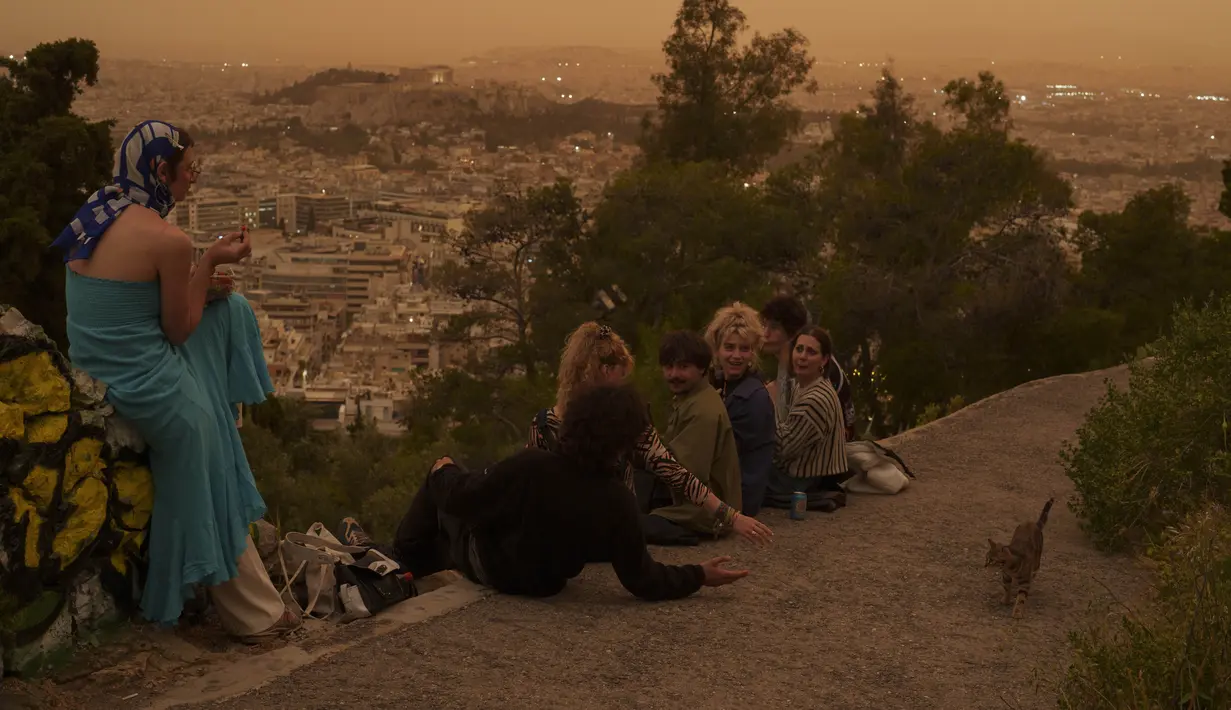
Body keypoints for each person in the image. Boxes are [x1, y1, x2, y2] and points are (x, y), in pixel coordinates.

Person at [52, 120, 297, 641]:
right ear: (161, 170)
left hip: (96, 359)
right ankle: (252, 613)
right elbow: (178, 330)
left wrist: (201, 283)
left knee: (229, 310)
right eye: (190, 171)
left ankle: (214, 410)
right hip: (139, 378)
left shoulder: (100, 208)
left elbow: (128, 300)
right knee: (207, 446)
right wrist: (206, 260)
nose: (195, 182)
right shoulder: (170, 239)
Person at [348, 383, 749, 600]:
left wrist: (442, 470)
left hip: (493, 567)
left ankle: (395, 559)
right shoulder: (618, 501)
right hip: (542, 584)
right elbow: (643, 579)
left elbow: (460, 499)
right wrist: (700, 575)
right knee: (464, 515)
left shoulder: (534, 465)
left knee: (449, 483)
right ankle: (398, 560)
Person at [528, 322, 772, 545]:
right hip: (609, 535)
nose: (625, 383)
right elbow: (678, 475)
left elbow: (531, 488)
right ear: (605, 370)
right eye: (622, 374)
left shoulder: (541, 423)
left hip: (562, 539)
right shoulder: (626, 419)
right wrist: (731, 517)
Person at [649, 331, 742, 537]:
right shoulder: (690, 398)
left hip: (706, 511)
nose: (674, 374)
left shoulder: (702, 410)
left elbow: (686, 473)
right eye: (669, 367)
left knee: (632, 526)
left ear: (701, 368)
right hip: (698, 502)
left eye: (683, 367)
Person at [764, 326, 852, 512]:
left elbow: (782, 449)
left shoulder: (814, 400)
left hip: (800, 481)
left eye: (811, 352)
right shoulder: (806, 385)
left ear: (825, 359)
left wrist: (769, 405)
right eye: (799, 349)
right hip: (808, 474)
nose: (802, 356)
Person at [704, 303, 775, 516]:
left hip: (737, 499)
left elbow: (718, 454)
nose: (736, 355)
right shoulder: (723, 385)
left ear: (753, 353)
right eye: (729, 347)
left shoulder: (752, 397)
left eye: (744, 349)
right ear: (717, 349)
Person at [760, 294, 856, 440]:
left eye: (773, 328)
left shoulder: (810, 367)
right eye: (764, 325)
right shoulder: (789, 364)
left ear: (792, 334)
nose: (764, 334)